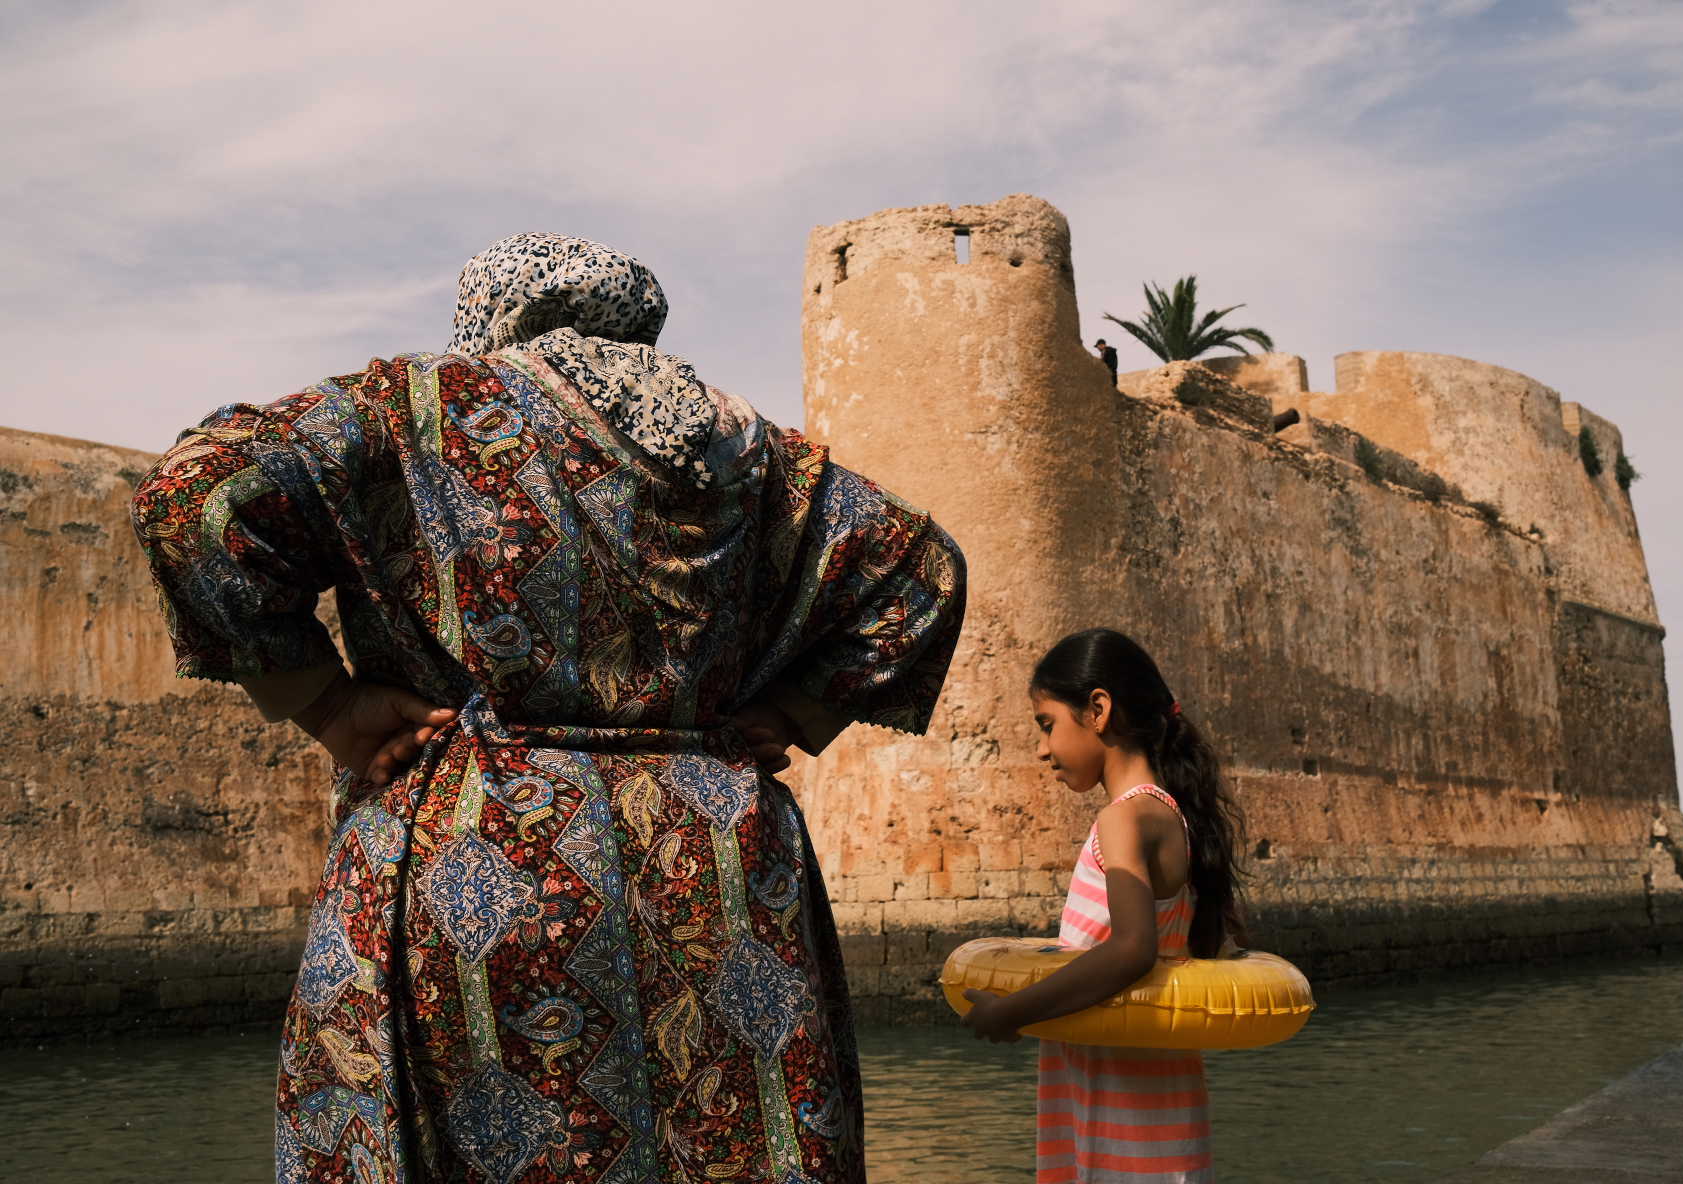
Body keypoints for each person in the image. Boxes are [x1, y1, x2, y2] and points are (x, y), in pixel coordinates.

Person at [130, 232, 967, 1184]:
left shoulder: (419, 409)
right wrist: (796, 711)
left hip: (475, 855)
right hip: (717, 867)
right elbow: (921, 569)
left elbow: (194, 493)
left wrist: (322, 701)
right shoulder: (753, 453)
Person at [960, 628, 1247, 1183]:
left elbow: (1133, 949)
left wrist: (1011, 1013)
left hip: (1126, 1129)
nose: (1042, 749)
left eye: (1047, 724)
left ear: (1097, 710)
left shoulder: (1124, 819)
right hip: (1157, 1114)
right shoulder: (1172, 816)